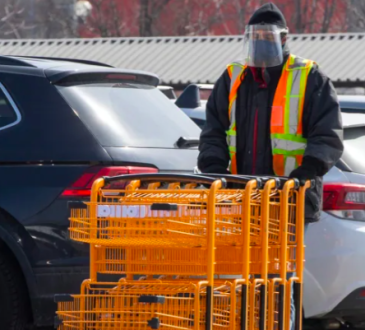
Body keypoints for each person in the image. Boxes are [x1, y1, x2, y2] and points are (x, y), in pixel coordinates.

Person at [197, 2, 344, 330]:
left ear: (284, 38)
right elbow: (213, 130)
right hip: (240, 199)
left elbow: (328, 133)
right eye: (255, 36)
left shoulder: (309, 78)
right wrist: (213, 164)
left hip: (288, 199)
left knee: (282, 277)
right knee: (241, 276)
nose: (261, 42)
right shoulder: (234, 78)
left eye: (267, 35)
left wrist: (309, 169)